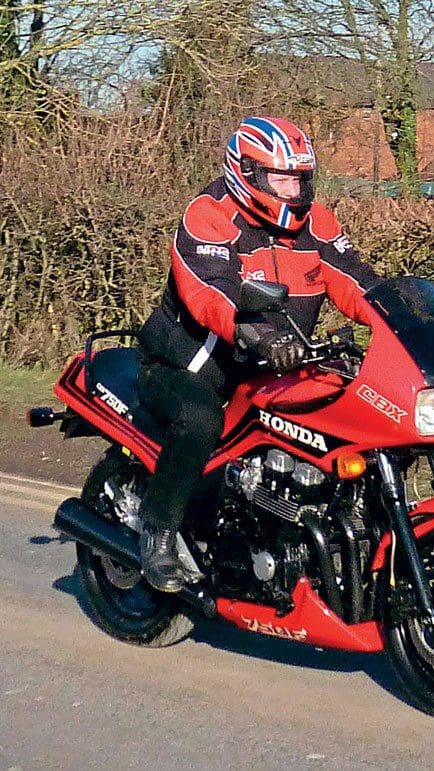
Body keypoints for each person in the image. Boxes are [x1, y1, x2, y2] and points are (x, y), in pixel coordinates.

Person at [135, 116, 380, 592]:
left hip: (272, 368)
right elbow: (213, 291)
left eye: (300, 180)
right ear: (247, 174)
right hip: (191, 365)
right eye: (280, 179)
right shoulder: (209, 215)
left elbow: (355, 280)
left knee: (347, 415)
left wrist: (404, 313)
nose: (292, 191)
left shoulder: (317, 224)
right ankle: (158, 534)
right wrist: (255, 334)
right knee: (200, 419)